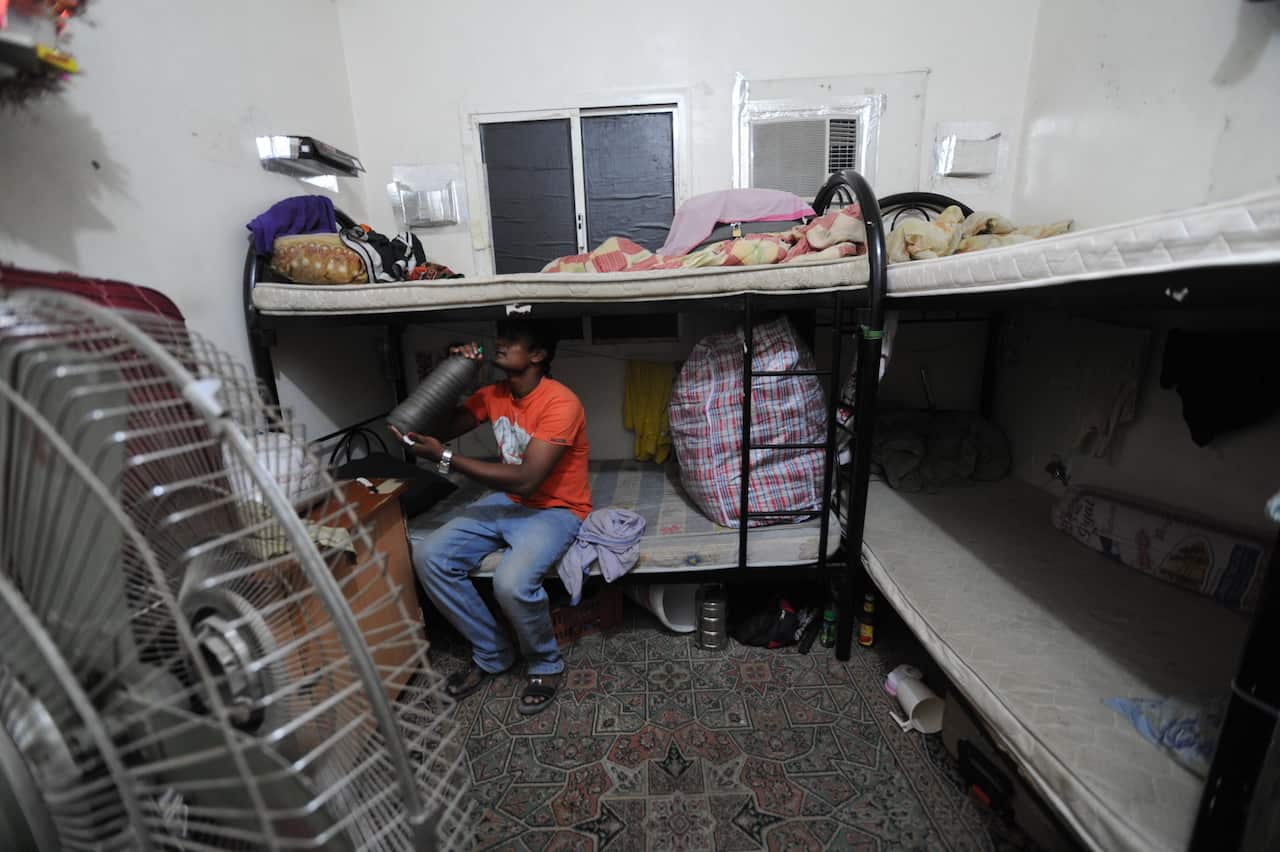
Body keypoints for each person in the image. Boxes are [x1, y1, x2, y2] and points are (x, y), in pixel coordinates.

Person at [395, 320, 590, 716]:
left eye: (512, 340)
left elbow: (530, 479)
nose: (500, 343)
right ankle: (493, 651)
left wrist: (446, 459)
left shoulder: (560, 403)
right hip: (508, 500)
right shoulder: (492, 394)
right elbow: (438, 427)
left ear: (538, 355)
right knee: (430, 556)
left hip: (556, 508)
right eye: (500, 337)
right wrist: (452, 377)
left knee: (511, 582)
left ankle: (545, 663)